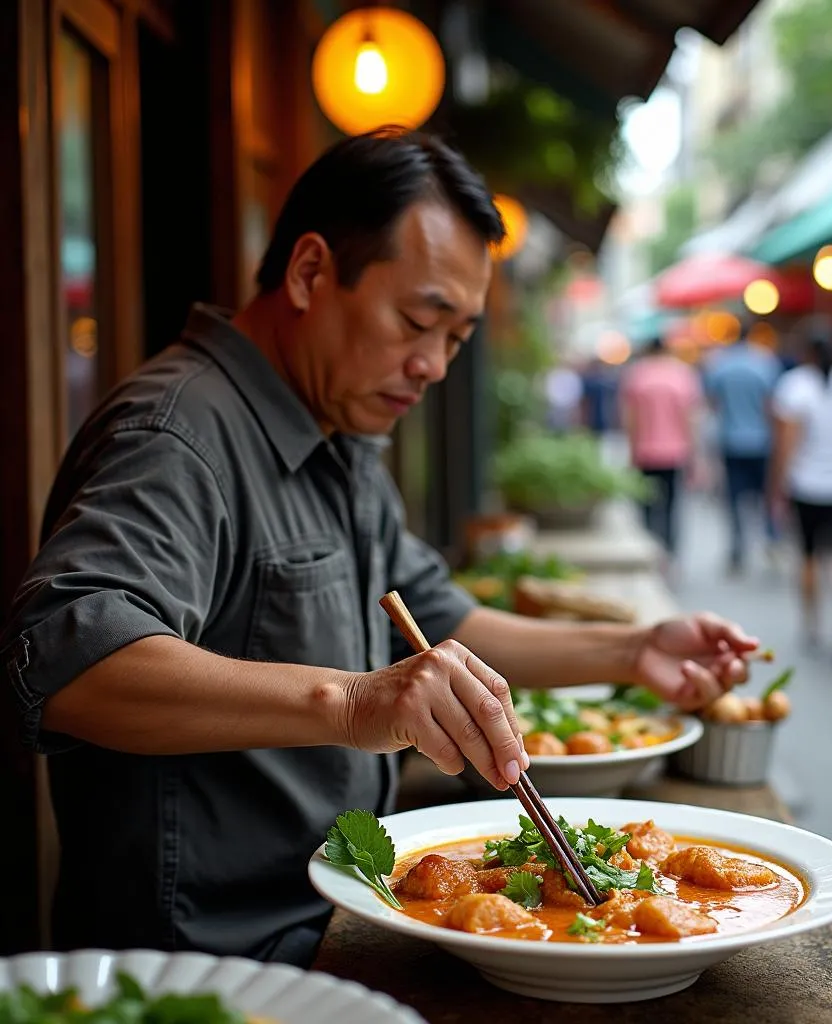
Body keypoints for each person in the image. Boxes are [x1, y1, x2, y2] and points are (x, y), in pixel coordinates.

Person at [0, 131, 758, 965]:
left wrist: (632, 650)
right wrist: (356, 703)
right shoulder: (177, 436)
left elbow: (438, 620)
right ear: (310, 273)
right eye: (416, 321)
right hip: (219, 959)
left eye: (457, 338)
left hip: (341, 915)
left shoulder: (338, 428)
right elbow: (69, 662)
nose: (432, 365)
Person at [771, 316, 832, 663]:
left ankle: (813, 622)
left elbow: (787, 442)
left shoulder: (794, 386)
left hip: (806, 483)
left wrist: (779, 481)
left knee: (809, 555)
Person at [703, 319, 783, 574]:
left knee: (734, 498)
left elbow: (712, 402)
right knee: (767, 495)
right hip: (762, 440)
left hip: (731, 441)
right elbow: (773, 404)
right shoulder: (765, 363)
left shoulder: (720, 364)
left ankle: (738, 547)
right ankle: (771, 539)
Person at [619, 336, 703, 557]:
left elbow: (630, 418)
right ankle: (668, 551)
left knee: (646, 505)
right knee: (671, 507)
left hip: (644, 451)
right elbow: (689, 418)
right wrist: (694, 454)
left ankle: (650, 550)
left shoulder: (637, 375)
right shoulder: (682, 374)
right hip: (675, 452)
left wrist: (630, 450)